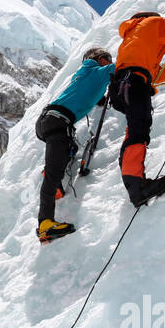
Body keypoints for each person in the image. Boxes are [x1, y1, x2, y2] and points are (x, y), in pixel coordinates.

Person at [108, 11, 165, 207]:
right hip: (134, 81)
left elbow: (156, 74)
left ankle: (132, 179)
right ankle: (136, 186)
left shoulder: (133, 41)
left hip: (122, 85)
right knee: (138, 130)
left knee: (135, 129)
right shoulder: (152, 22)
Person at [35, 47, 115, 242]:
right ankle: (45, 223)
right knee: (55, 170)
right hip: (59, 121)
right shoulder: (97, 72)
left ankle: (55, 178)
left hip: (51, 120)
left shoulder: (85, 75)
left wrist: (100, 99)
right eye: (106, 58)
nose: (109, 60)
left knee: (68, 150)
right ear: (98, 59)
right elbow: (124, 66)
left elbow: (89, 96)